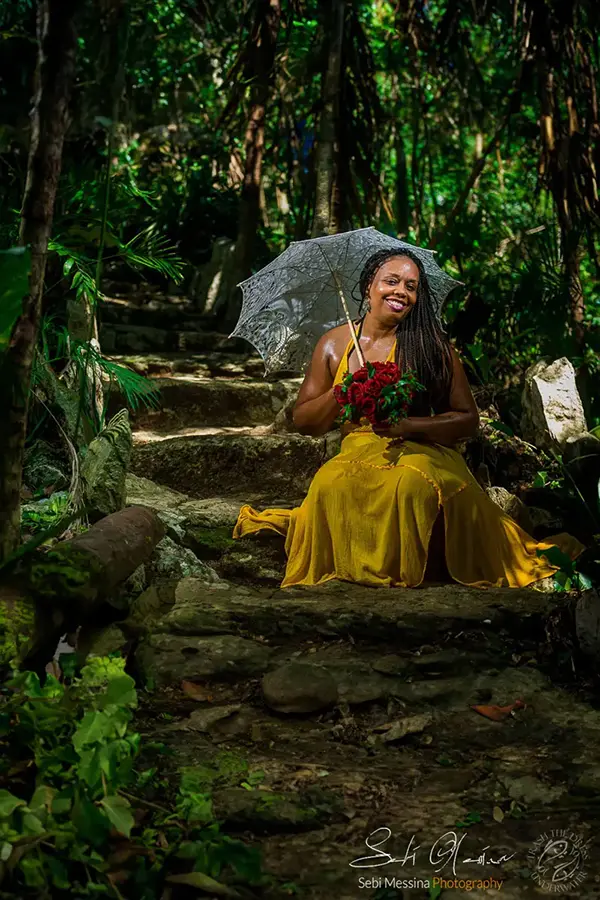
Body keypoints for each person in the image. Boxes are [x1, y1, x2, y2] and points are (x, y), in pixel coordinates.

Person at [233, 248, 582, 589]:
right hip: (357, 450)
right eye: (392, 281)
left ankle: (407, 568)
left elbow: (467, 420)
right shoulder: (334, 344)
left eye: (411, 286)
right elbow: (305, 422)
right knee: (329, 485)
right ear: (369, 284)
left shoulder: (430, 345)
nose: (401, 291)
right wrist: (342, 391)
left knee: (412, 486)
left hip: (422, 449)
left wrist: (408, 425)